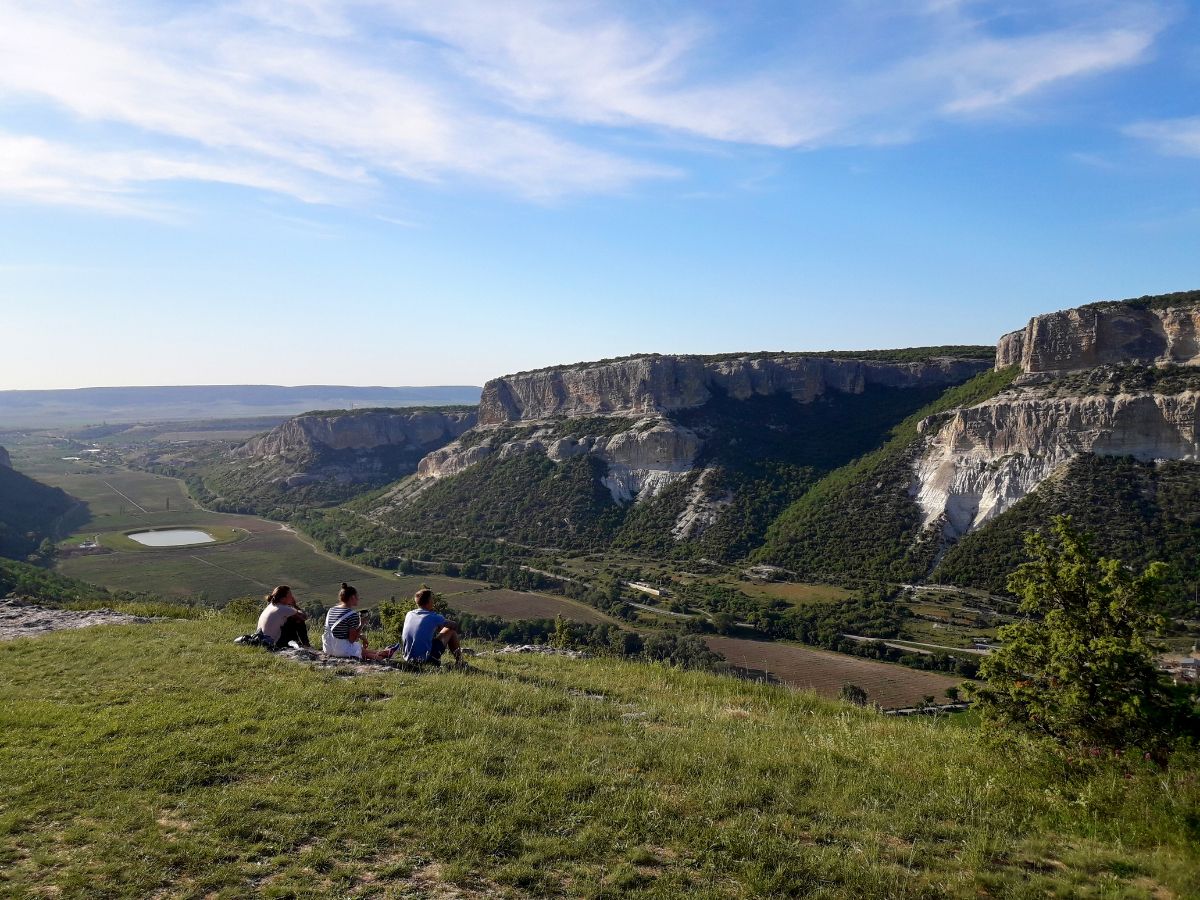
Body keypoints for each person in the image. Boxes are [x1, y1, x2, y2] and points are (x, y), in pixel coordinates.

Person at [323, 583, 392, 660]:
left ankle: (384, 653)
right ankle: (381, 656)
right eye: (357, 596)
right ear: (352, 597)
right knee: (359, 648)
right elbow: (352, 640)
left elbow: (340, 632)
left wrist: (362, 637)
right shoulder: (352, 615)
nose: (358, 599)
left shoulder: (331, 610)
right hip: (341, 651)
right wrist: (361, 624)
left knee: (359, 649)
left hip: (327, 648)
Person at [401, 588, 462, 665]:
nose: (433, 601)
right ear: (429, 601)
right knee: (451, 631)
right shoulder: (433, 617)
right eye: (432, 599)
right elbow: (453, 625)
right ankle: (460, 662)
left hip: (407, 658)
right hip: (425, 659)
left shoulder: (409, 614)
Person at [255, 585, 309, 649]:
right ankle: (306, 645)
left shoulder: (271, 605)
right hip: (274, 643)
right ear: (283, 598)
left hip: (263, 640)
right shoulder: (283, 608)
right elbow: (304, 617)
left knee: (290, 619)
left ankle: (300, 644)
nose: (292, 597)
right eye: (290, 595)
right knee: (298, 620)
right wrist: (294, 605)